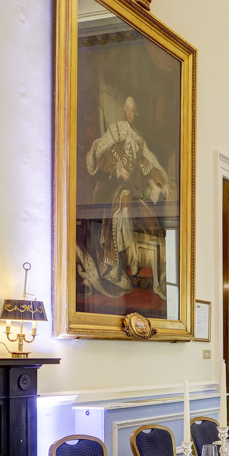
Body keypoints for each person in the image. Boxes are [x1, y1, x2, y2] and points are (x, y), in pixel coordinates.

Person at [81, 96, 170, 307]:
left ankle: (149, 265)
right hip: (112, 186)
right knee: (126, 197)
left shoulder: (139, 141)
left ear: (135, 113)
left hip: (134, 189)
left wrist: (163, 183)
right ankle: (124, 257)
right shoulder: (116, 130)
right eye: (127, 109)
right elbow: (101, 155)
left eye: (133, 110)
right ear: (124, 110)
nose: (130, 113)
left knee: (148, 213)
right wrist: (117, 168)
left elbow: (150, 165)